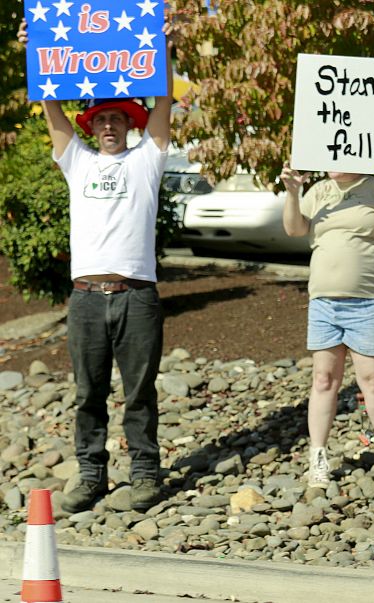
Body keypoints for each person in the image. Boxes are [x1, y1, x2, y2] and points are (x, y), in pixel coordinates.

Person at [18, 20, 173, 513]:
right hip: (86, 298)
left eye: (117, 119)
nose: (108, 126)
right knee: (88, 393)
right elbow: (52, 109)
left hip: (136, 296)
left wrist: (164, 50)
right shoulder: (78, 162)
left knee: (139, 392)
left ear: (130, 126)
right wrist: (37, 52)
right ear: (91, 128)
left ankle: (145, 473)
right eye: (101, 119)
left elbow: (164, 105)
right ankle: (91, 476)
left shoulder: (146, 160)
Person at [280, 161, 374, 489]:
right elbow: (294, 229)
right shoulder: (319, 191)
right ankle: (318, 457)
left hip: (368, 302)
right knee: (324, 379)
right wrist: (293, 193)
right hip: (324, 303)